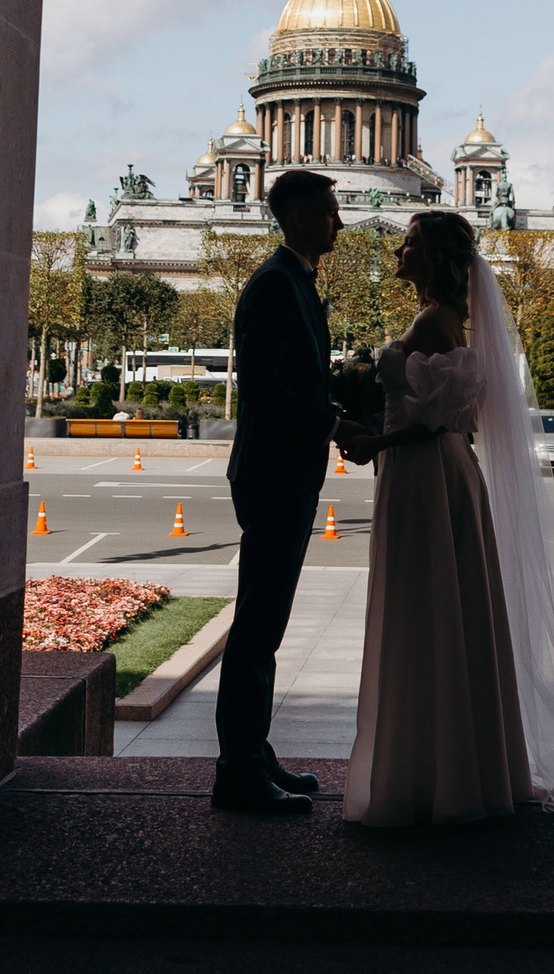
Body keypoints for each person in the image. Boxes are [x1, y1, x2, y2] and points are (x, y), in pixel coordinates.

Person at [334, 211, 554, 825]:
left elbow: (428, 422)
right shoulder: (449, 320)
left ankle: (425, 778)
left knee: (424, 611)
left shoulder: (432, 321)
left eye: (408, 243)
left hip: (426, 474)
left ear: (432, 255)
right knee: (448, 612)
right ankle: (462, 767)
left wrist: (373, 443)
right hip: (442, 471)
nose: (397, 251)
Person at [212, 169, 343, 814]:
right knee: (257, 628)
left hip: (284, 470)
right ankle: (237, 771)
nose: (340, 223)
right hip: (273, 473)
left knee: (266, 625)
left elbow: (301, 380)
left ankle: (252, 751)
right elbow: (269, 391)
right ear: (295, 217)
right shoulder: (274, 284)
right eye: (328, 211)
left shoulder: (293, 282)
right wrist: (337, 423)